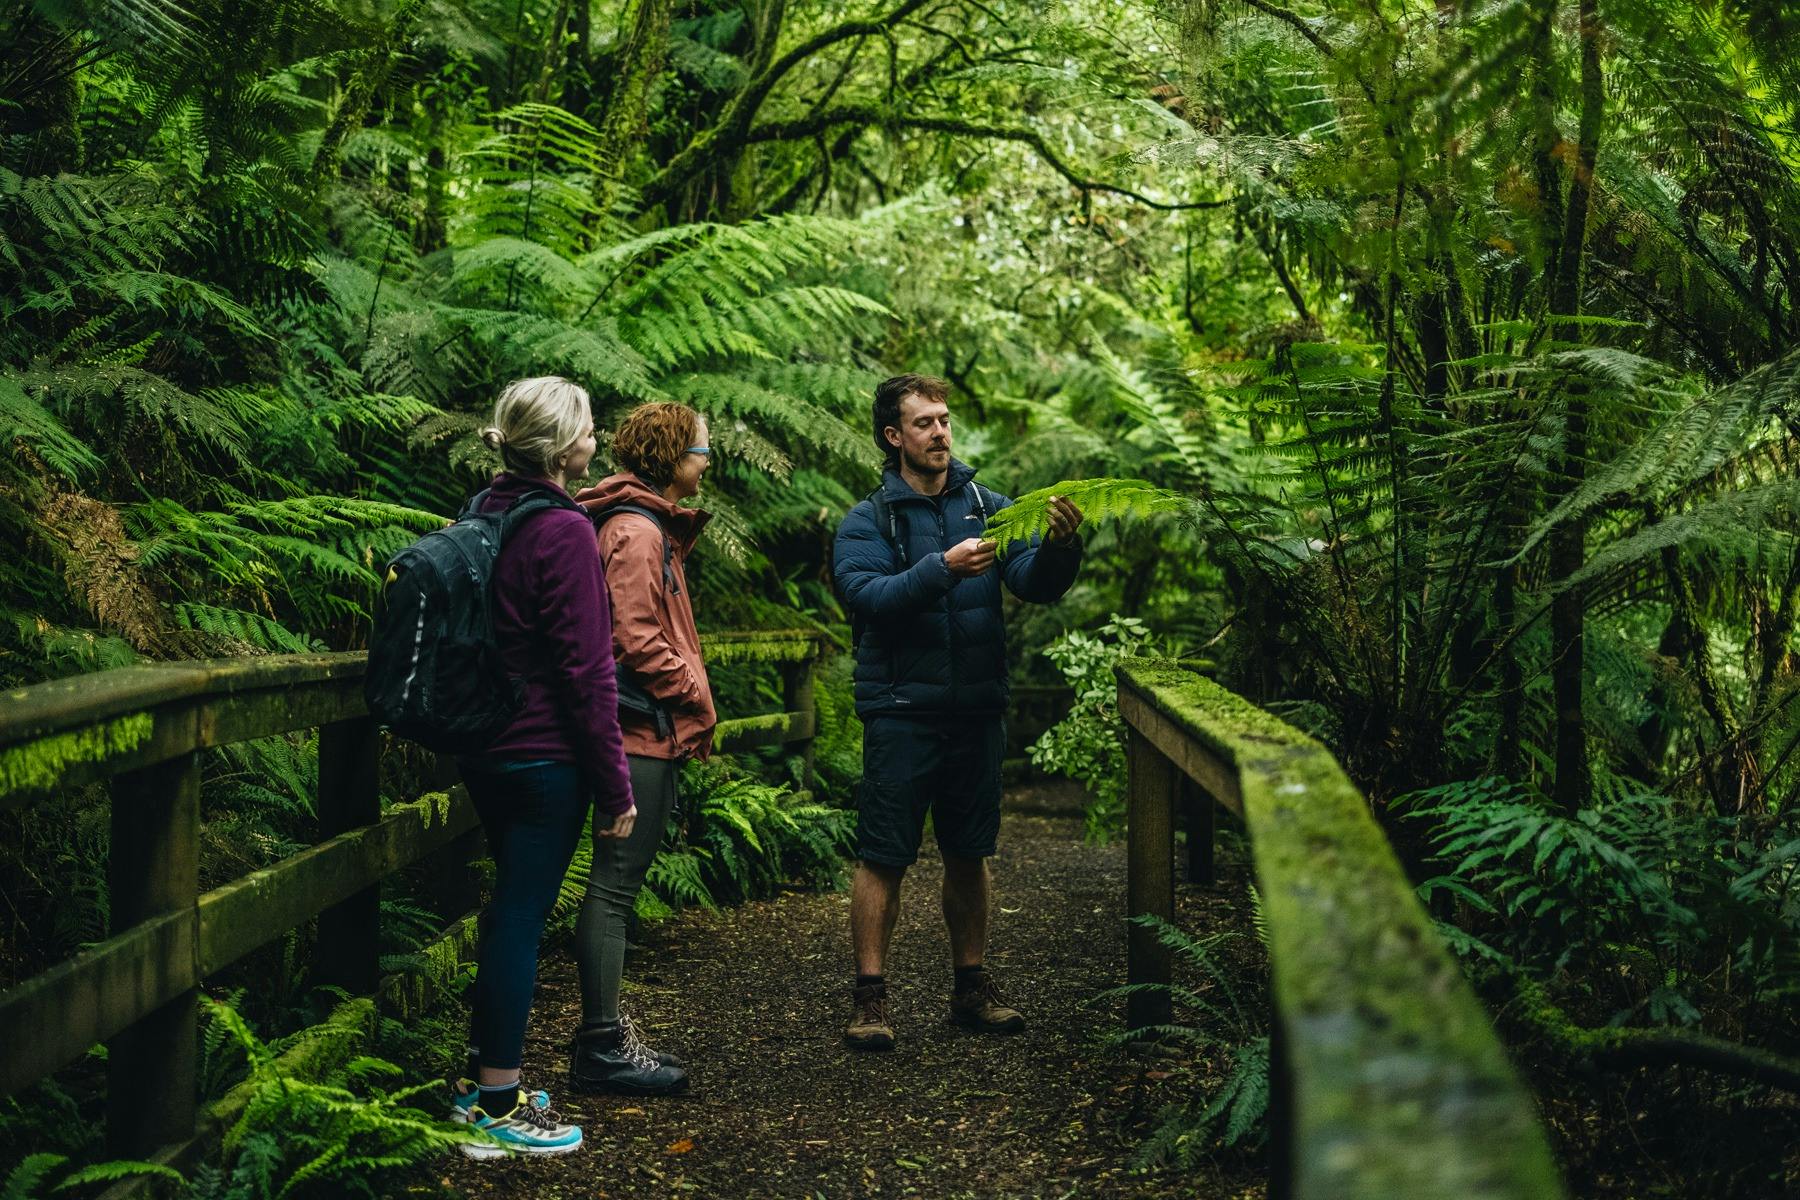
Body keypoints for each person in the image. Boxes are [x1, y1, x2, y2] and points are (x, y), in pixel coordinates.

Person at [832, 373, 1085, 1051]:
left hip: (976, 709)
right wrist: (942, 568)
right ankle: (870, 998)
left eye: (944, 420)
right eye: (924, 423)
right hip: (900, 711)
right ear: (894, 436)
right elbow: (868, 597)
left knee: (968, 853)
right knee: (884, 854)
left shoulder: (987, 505)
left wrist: (1062, 546)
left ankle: (971, 989)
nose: (940, 432)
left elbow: (1034, 584)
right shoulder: (869, 519)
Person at [448, 376, 637, 1157]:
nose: (597, 437)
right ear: (566, 447)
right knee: (521, 923)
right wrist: (615, 784)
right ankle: (496, 1104)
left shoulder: (483, 509)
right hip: (544, 757)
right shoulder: (561, 530)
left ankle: (480, 1084)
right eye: (590, 428)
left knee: (507, 916)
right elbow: (588, 672)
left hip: (487, 747)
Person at [565, 401, 716, 1095]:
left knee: (614, 886)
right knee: (615, 888)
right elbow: (634, 636)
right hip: (636, 728)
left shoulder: (643, 524)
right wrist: (690, 687)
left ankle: (605, 1036)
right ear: (671, 456)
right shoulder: (637, 529)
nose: (707, 461)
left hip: (639, 725)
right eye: (700, 449)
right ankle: (600, 1047)